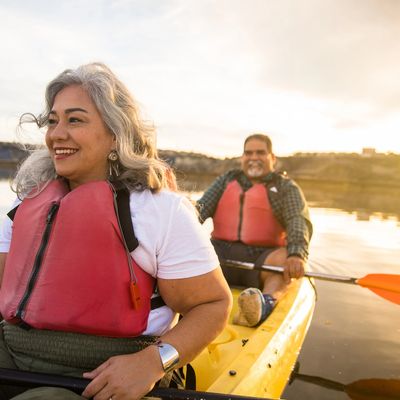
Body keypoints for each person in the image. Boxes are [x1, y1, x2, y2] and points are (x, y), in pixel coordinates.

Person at [0, 62, 232, 400]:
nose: (56, 134)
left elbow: (213, 305)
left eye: (75, 119)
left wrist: (152, 362)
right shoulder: (24, 207)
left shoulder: (159, 211)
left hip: (103, 374)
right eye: (53, 121)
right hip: (12, 354)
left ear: (114, 134)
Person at [196, 133, 312, 327]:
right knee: (190, 248)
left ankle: (264, 303)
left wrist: (297, 254)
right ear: (242, 157)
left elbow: (297, 220)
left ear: (272, 158)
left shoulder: (285, 187)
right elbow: (199, 210)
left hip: (262, 260)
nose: (253, 158)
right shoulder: (226, 180)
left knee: (284, 259)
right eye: (248, 153)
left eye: (261, 153)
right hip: (220, 256)